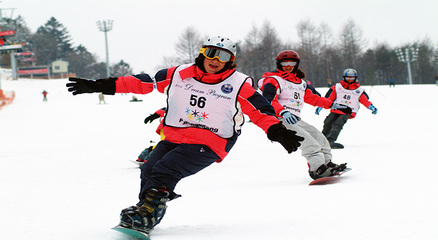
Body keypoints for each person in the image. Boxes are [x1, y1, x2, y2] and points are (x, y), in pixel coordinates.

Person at [66, 36, 304, 234]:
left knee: (165, 170)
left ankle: (148, 212)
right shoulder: (179, 73)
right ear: (202, 53)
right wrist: (100, 86)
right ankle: (147, 209)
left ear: (231, 61)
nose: (215, 60)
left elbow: (260, 109)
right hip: (176, 135)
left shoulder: (239, 83)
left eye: (223, 57)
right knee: (149, 168)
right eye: (211, 53)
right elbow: (144, 82)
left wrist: (277, 131)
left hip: (213, 139)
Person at [258, 50, 350, 180]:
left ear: (297, 64)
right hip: (279, 118)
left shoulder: (299, 83)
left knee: (320, 138)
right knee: (309, 142)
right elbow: (268, 100)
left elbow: (312, 98)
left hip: (295, 119)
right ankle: (317, 169)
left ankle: (327, 164)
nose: (288, 66)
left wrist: (332, 104)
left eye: (292, 63)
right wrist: (283, 112)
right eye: (285, 63)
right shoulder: (273, 80)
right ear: (279, 64)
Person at [316, 68, 378, 149]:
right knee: (328, 122)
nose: (349, 80)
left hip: (349, 111)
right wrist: (321, 105)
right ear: (344, 78)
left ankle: (331, 140)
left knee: (338, 124)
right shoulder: (338, 87)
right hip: (337, 108)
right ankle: (323, 139)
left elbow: (364, 100)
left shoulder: (358, 90)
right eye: (348, 78)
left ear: (355, 78)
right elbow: (329, 98)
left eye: (352, 78)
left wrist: (371, 107)